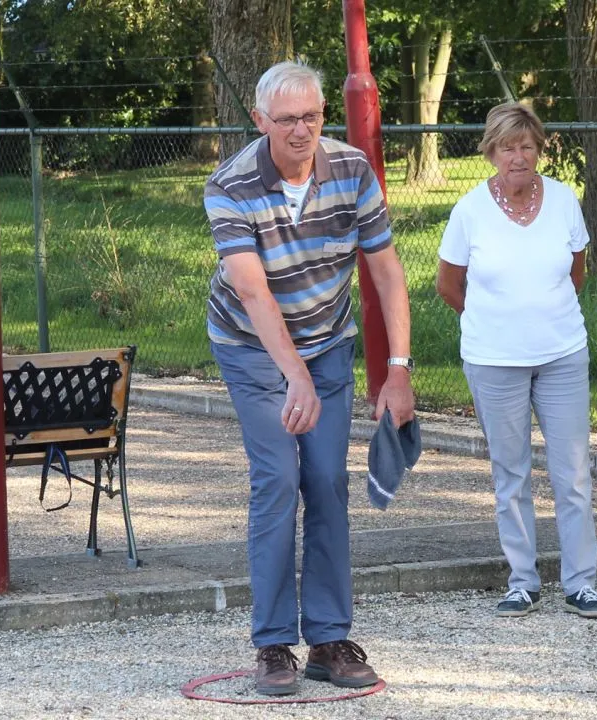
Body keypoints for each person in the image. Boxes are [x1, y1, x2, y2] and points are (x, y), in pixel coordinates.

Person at [204, 61, 416, 696]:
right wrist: (292, 375)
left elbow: (387, 273)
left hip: (327, 341)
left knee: (326, 480)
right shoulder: (231, 184)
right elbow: (253, 292)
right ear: (260, 120)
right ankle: (273, 645)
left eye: (312, 117)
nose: (301, 130)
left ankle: (328, 638)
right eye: (287, 119)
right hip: (250, 345)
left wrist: (398, 371)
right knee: (278, 478)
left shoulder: (352, 170)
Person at [435, 102, 597, 620]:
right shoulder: (469, 209)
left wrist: (539, 315)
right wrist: (497, 321)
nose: (518, 157)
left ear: (539, 150)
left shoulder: (563, 201)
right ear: (491, 152)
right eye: (508, 147)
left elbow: (576, 272)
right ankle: (523, 581)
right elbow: (449, 285)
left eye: (527, 146)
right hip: (493, 360)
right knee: (510, 472)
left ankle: (581, 582)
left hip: (561, 354)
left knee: (573, 473)